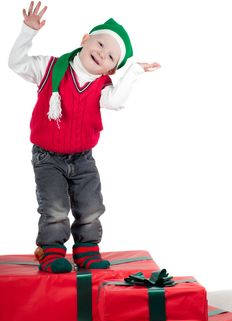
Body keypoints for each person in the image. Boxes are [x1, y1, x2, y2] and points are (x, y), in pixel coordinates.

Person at [8, 1, 161, 273]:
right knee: (54, 207)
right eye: (101, 45)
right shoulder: (50, 68)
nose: (103, 54)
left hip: (83, 158)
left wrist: (133, 73)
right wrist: (27, 32)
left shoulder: (103, 85)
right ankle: (51, 250)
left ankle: (87, 249)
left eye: (112, 56)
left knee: (91, 207)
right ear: (85, 39)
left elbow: (116, 102)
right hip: (48, 156)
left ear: (111, 70)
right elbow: (16, 63)